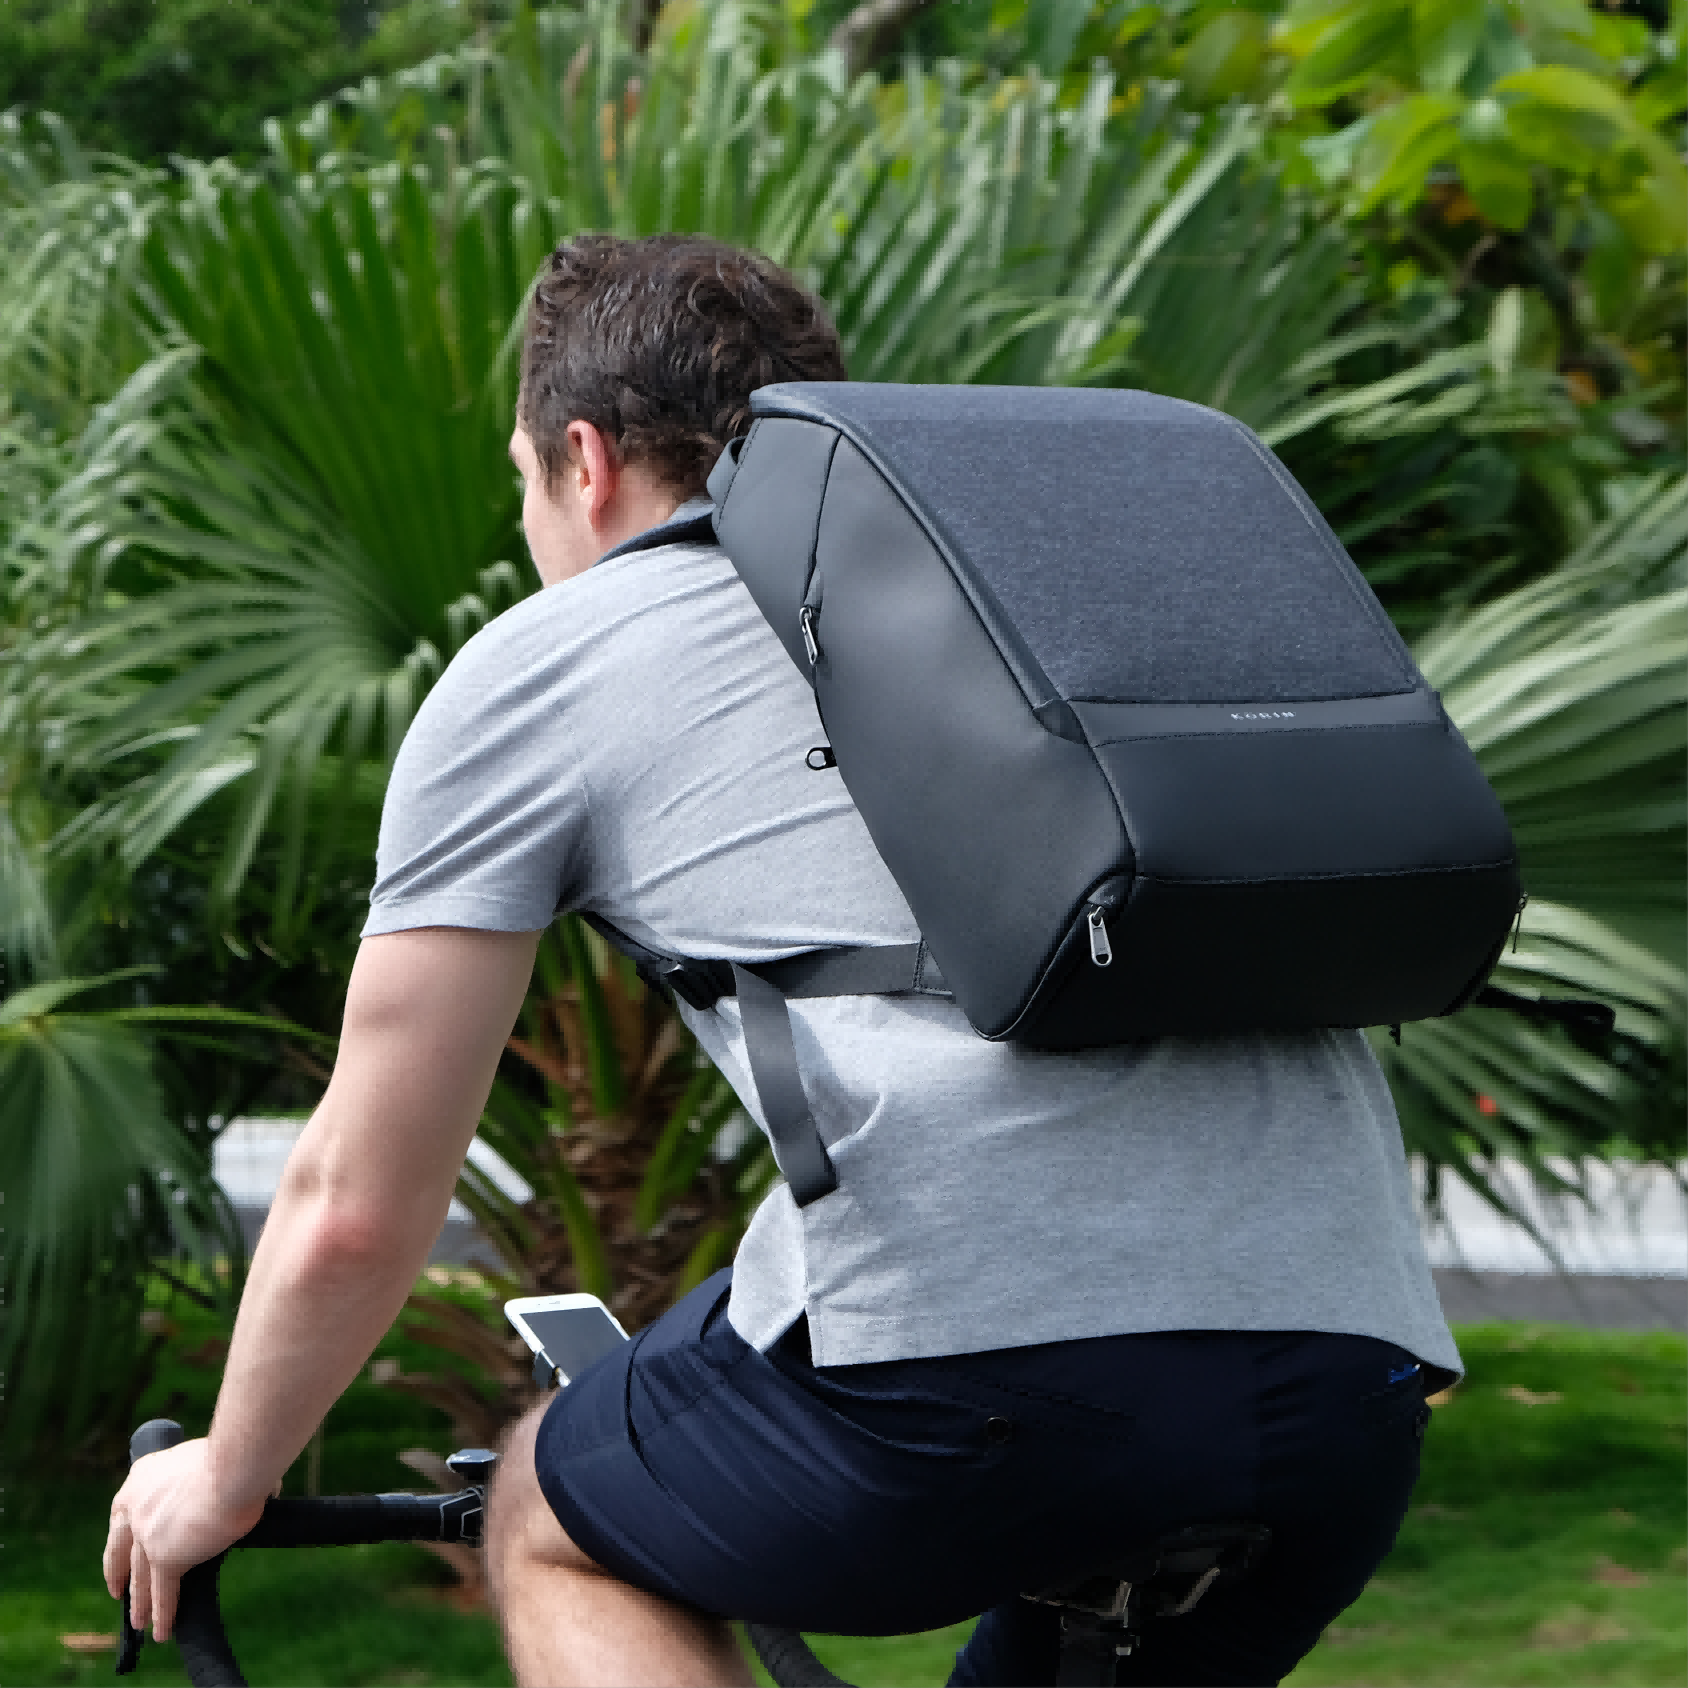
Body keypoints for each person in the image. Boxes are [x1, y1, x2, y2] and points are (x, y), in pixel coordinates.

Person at [105, 234, 1459, 1688]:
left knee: (551, 1520)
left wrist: (227, 1473)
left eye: (523, 484)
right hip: (1349, 1373)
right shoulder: (1034, 603)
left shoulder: (554, 656)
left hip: (968, 1367)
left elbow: (357, 1204)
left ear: (582, 461)